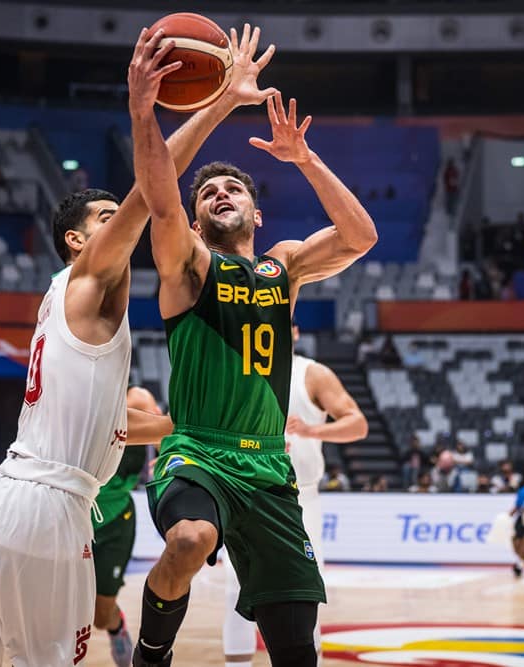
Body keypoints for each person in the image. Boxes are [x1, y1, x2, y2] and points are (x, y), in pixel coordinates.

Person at [0, 24, 260, 666]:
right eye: (105, 220)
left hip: (3, 497)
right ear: (78, 242)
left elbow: (115, 427)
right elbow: (154, 188)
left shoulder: (64, 301)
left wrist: (187, 427)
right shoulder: (92, 278)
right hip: (46, 509)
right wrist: (218, 102)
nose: (122, 228)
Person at [132, 22, 377, 665]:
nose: (219, 194)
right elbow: (159, 198)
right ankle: (149, 656)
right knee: (189, 540)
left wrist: (305, 159)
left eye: (232, 187)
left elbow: (359, 237)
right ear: (198, 216)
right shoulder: (189, 266)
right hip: (199, 452)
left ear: (256, 212)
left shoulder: (283, 267)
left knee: (296, 646)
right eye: (206, 192)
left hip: (269, 467)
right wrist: (151, 109)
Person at [223, 325, 367, 666]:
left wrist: (312, 429)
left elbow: (357, 424)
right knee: (235, 587)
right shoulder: (235, 369)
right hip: (247, 491)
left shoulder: (313, 374)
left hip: (301, 496)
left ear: (296, 332)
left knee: (306, 590)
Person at [94, 386, 163, 667]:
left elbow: (166, 432)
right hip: (74, 516)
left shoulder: (137, 398)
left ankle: (116, 626)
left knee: (100, 615)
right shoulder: (78, 402)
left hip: (115, 520)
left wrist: (170, 457)